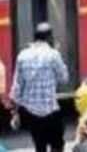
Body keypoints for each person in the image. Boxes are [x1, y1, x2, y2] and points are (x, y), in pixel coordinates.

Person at [10, 22, 68, 152]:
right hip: (51, 111)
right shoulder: (53, 54)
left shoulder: (22, 55)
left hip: (32, 113)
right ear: (49, 37)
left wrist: (15, 112)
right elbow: (64, 78)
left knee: (39, 147)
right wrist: (57, 53)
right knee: (57, 145)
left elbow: (17, 87)